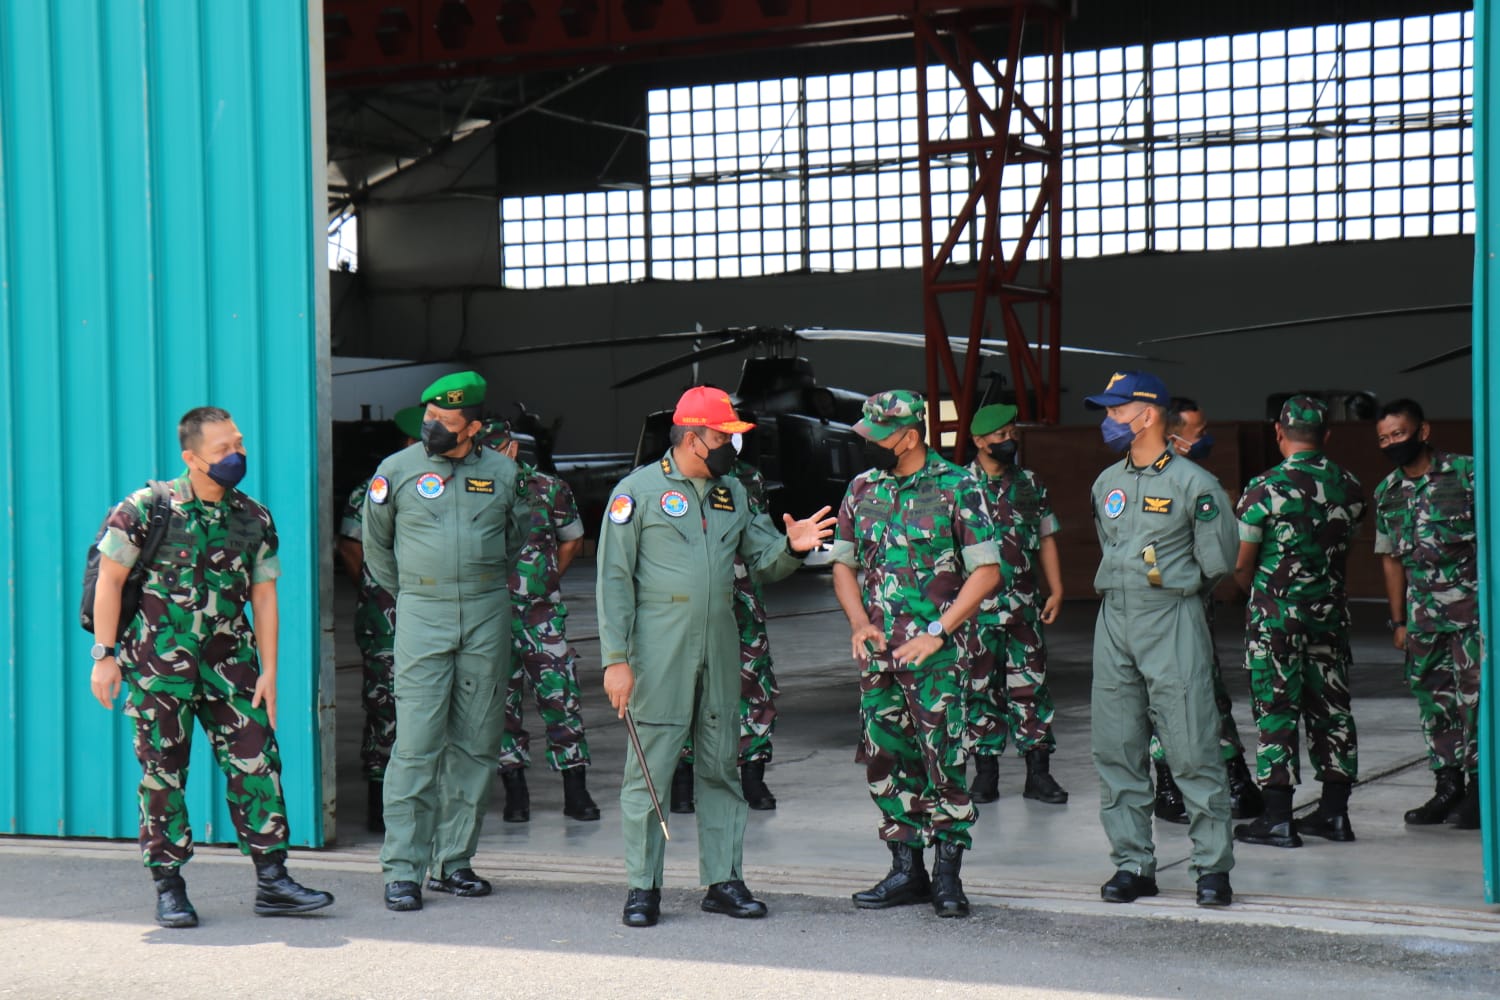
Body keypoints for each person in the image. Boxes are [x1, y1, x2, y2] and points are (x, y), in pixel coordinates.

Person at [596, 386, 835, 929]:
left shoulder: (733, 494)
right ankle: (642, 888)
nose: (733, 446)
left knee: (721, 767)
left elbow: (764, 562)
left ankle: (723, 881)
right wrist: (615, 658)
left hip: (720, 646)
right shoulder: (636, 493)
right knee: (650, 772)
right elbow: (613, 581)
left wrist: (793, 548)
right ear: (693, 438)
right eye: (725, 437)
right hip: (658, 650)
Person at [88, 406, 333, 928]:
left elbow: (264, 597)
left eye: (238, 443)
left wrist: (269, 670)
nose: (235, 455)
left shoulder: (254, 516)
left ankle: (273, 880)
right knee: (163, 776)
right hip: (158, 670)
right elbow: (109, 582)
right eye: (223, 448)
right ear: (192, 457)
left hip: (233, 668)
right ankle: (169, 887)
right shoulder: (147, 508)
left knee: (258, 763)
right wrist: (104, 657)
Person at [362, 371, 527, 912]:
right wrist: (421, 591)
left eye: (446, 423)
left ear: (474, 427)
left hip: (485, 611)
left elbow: (513, 540)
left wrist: (473, 588)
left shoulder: (503, 472)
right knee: (415, 744)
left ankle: (454, 862)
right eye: (429, 417)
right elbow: (377, 550)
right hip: (423, 612)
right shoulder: (396, 472)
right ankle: (403, 869)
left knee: (477, 744)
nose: (431, 427)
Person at [832, 390, 1000, 919]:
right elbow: (843, 564)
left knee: (943, 760)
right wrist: (859, 622)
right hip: (880, 657)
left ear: (909, 436)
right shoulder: (862, 488)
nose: (868, 446)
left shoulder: (958, 486)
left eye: (878, 437)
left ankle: (948, 875)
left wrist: (939, 631)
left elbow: (988, 571)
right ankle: (907, 871)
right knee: (885, 758)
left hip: (938, 659)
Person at [1085, 371, 1237, 908]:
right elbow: (1111, 545)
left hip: (1171, 617)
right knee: (1117, 746)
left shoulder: (1195, 485)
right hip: (1114, 621)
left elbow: (1217, 562)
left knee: (1191, 744)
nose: (1108, 421)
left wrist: (1173, 591)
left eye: (1115, 411)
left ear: (1146, 414)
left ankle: (1211, 868)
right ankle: (1132, 865)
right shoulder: (1107, 484)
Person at [1231, 396, 1366, 849]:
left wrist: (1259, 593)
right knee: (1332, 712)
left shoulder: (1264, 487)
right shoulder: (1350, 486)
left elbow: (1241, 563)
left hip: (1277, 621)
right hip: (1328, 618)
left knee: (1277, 712)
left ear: (1278, 432)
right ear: (1326, 436)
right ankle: (1335, 815)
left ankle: (1278, 818)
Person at [477, 419, 598, 823]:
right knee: (501, 706)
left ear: (511, 449)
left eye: (496, 449)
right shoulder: (472, 489)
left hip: (541, 615)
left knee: (561, 698)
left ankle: (575, 790)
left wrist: (548, 579)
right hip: (491, 617)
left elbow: (572, 539)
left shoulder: (548, 488)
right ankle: (515, 793)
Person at [1150, 396, 1262, 823]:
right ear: (1173, 436)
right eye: (1198, 432)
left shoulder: (1193, 479)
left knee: (1199, 692)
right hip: (1162, 609)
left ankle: (1222, 782)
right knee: (1170, 696)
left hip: (1190, 607)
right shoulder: (1150, 483)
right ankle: (1180, 785)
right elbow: (1143, 552)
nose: (1205, 439)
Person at [1373, 398, 1482, 830]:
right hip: (1422, 620)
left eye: (1398, 433)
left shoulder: (1469, 474)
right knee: (1434, 704)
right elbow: (1390, 560)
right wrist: (1398, 620)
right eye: (1383, 438)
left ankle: (1479, 791)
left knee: (1477, 703)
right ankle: (1448, 785)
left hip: (1473, 616)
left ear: (1423, 431)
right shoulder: (1387, 493)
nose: (1391, 443)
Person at [963, 403, 1067, 806]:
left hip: (1024, 606)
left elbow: (1047, 537)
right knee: (980, 689)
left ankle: (1038, 775)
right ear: (978, 441)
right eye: (1000, 436)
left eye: (1012, 434)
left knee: (1032, 688)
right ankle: (985, 775)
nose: (1009, 441)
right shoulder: (959, 486)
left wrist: (1056, 589)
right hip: (976, 612)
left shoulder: (1029, 484)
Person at [672, 448, 782, 814]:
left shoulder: (747, 478)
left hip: (743, 602)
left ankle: (752, 773)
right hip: (689, 605)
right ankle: (683, 777)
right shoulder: (667, 479)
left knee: (753, 686)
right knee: (686, 685)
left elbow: (759, 541)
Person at [336, 404, 425, 833]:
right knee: (384, 705)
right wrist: (378, 589)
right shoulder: (374, 488)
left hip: (430, 615)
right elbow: (350, 546)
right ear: (412, 442)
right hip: (384, 619)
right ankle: (377, 802)